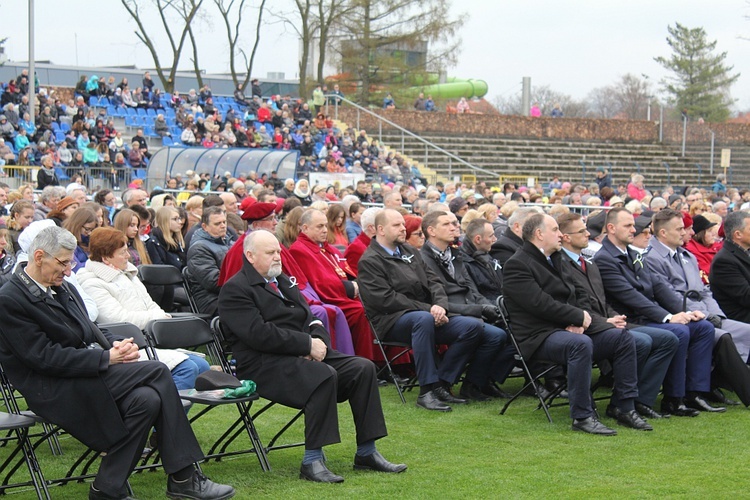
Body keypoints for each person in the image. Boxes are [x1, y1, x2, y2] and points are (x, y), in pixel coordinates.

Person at [0, 226, 234, 500]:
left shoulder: (61, 286)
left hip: (80, 372)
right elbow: (43, 358)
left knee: (147, 400)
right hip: (50, 386)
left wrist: (115, 344)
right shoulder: (10, 299)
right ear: (39, 257)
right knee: (157, 370)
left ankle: (107, 488)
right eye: (64, 262)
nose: (68, 269)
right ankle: (184, 477)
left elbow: (89, 328)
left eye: (71, 262)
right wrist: (105, 357)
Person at [218, 230, 405, 483]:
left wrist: (319, 344)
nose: (278, 257)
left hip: (300, 354)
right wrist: (305, 345)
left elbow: (311, 317)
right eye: (270, 253)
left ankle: (367, 452)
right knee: (322, 375)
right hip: (262, 364)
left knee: (362, 368)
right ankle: (312, 461)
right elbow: (258, 334)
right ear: (250, 256)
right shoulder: (235, 289)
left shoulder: (283, 280)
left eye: (278, 252)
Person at [503, 213, 645, 435]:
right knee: (579, 344)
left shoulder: (557, 258)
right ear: (539, 234)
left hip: (567, 329)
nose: (560, 235)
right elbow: (539, 304)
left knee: (621, 336)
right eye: (555, 230)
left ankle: (623, 407)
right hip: (537, 336)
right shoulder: (517, 264)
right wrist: (575, 317)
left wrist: (580, 319)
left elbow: (576, 295)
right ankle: (582, 416)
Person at [358, 209, 490, 412]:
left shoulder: (409, 251)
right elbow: (386, 300)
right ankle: (426, 391)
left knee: (472, 326)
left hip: (425, 315)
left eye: (403, 224)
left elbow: (434, 281)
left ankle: (441, 383)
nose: (403, 228)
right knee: (422, 319)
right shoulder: (370, 260)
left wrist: (439, 305)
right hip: (392, 321)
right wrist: (429, 309)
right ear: (380, 230)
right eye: (397, 225)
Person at [593, 208, 717, 416]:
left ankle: (693, 393)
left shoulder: (633, 253)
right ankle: (668, 398)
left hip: (648, 316)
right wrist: (668, 317)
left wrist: (685, 311)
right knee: (679, 331)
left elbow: (659, 287)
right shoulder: (605, 258)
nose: (635, 230)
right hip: (631, 319)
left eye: (633, 225)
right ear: (611, 229)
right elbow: (630, 296)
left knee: (703, 327)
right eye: (628, 226)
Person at [556, 212, 679, 419]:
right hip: (587, 328)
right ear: (566, 237)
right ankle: (623, 403)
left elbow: (603, 302)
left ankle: (639, 399)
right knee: (640, 341)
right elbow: (575, 306)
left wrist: (615, 317)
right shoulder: (560, 266)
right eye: (582, 231)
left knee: (669, 339)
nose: (589, 234)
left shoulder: (590, 264)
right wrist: (606, 321)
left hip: (607, 322)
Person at [77, 226, 210, 390]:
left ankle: (171, 413)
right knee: (187, 369)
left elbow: (151, 304)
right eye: (122, 253)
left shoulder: (128, 274)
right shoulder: (92, 283)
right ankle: (167, 415)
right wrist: (157, 317)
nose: (128, 256)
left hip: (147, 341)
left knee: (202, 366)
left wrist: (157, 315)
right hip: (125, 345)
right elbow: (116, 319)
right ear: (106, 258)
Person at [646, 209, 750, 406]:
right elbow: (669, 297)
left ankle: (711, 384)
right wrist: (706, 315)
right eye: (681, 229)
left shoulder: (687, 256)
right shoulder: (652, 258)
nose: (689, 233)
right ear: (663, 233)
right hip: (684, 316)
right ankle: (716, 390)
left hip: (707, 313)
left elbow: (704, 291)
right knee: (722, 338)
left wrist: (716, 314)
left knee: (747, 332)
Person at [419, 211, 514, 400]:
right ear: (431, 231)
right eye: (447, 224)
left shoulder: (455, 254)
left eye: (454, 223)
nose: (454, 227)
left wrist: (488, 306)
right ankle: (442, 383)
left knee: (513, 328)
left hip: (469, 309)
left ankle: (477, 382)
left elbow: (471, 288)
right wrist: (479, 309)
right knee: (486, 331)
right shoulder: (422, 258)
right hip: (445, 313)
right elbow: (435, 299)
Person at [289, 209, 375, 360]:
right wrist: (348, 288)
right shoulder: (299, 249)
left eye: (325, 226)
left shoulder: (326, 248)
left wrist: (355, 284)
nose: (324, 230)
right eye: (319, 226)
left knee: (376, 305)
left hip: (341, 294)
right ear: (305, 228)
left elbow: (344, 271)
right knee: (360, 311)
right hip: (328, 298)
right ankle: (365, 360)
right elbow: (319, 283)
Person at [186, 206, 235, 316]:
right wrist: (244, 286)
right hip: (211, 300)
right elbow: (214, 282)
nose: (223, 226)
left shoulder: (230, 243)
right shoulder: (198, 248)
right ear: (205, 226)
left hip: (231, 294)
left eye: (224, 222)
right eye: (217, 223)